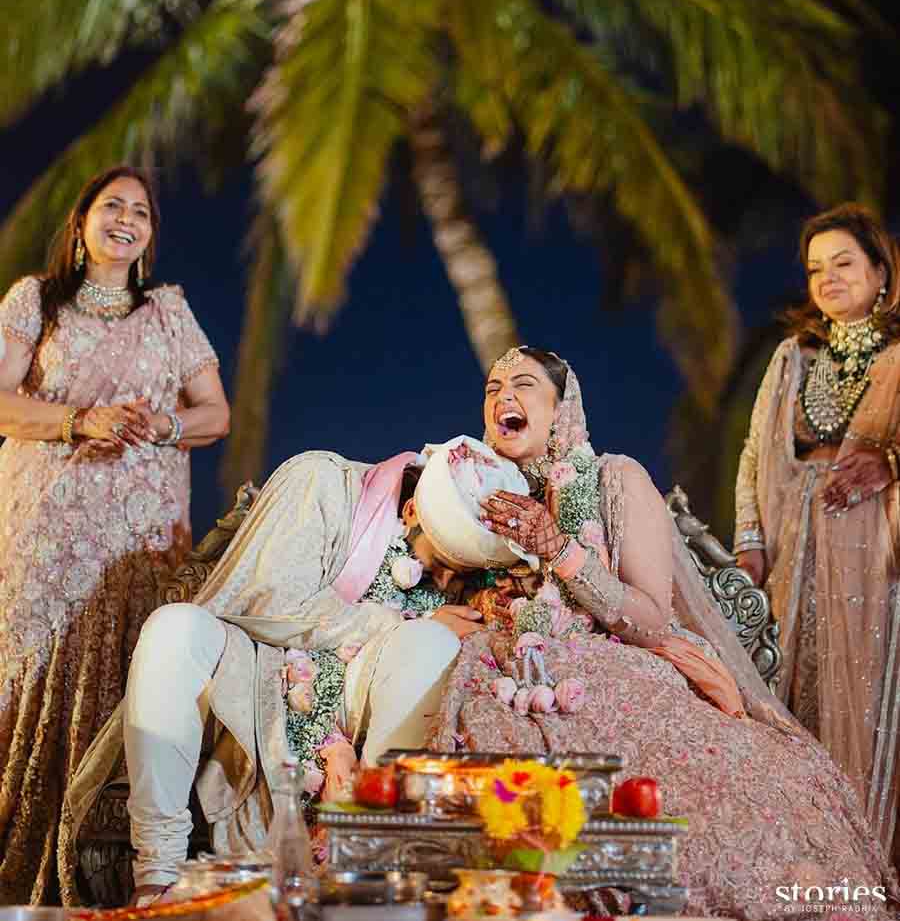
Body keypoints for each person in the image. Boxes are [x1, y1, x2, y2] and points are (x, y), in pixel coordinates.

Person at [429, 346, 898, 920]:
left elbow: (649, 617)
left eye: (523, 385)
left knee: (728, 807)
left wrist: (557, 548)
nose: (502, 397)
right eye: (491, 388)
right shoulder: (478, 503)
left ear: (561, 411)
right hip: (517, 672)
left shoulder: (612, 479)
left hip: (625, 664)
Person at [67, 447, 485, 905]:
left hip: (362, 695)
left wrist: (426, 631)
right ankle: (157, 877)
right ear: (410, 511)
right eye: (440, 564)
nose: (445, 585)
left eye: (458, 575)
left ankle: (365, 863)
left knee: (434, 643)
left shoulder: (457, 576)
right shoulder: (323, 483)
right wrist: (399, 621)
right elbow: (275, 602)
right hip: (261, 666)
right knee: (174, 627)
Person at [0, 167, 230, 905]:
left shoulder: (169, 311)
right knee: (33, 679)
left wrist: (163, 425)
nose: (126, 219)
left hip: (142, 543)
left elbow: (214, 414)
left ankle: (116, 875)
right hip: (48, 531)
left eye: (141, 212)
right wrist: (77, 420)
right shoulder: (35, 300)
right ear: (82, 222)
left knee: (136, 686)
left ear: (150, 236)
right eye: (112, 206)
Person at [732, 203, 900, 860]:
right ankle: (800, 863)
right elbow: (754, 456)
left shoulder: (897, 357)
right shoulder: (791, 356)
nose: (828, 279)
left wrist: (886, 468)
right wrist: (750, 542)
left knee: (863, 707)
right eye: (815, 269)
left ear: (882, 273)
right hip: (790, 560)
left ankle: (864, 866)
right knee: (791, 705)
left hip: (875, 566)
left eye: (844, 263)